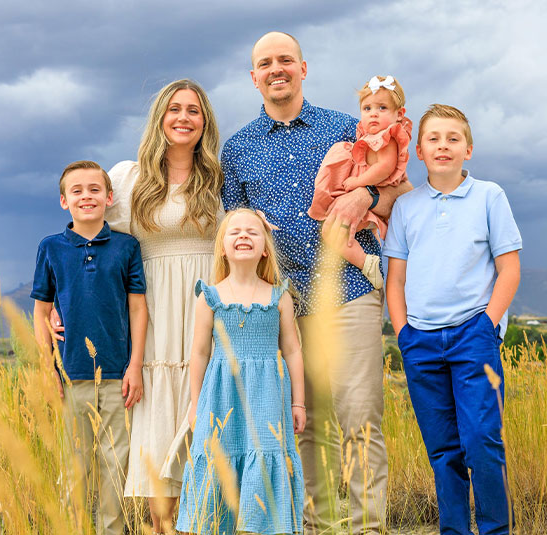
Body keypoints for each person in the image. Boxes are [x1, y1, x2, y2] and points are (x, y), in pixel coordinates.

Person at [221, 31, 410, 535]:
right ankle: (322, 528)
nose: (276, 69)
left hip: (348, 293)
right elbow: (230, 227)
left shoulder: (348, 128)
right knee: (307, 428)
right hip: (283, 306)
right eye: (265, 63)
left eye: (286, 60)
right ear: (254, 76)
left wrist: (366, 195)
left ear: (304, 69)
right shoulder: (238, 150)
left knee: (360, 423)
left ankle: (368, 530)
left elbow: (401, 191)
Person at [384, 104, 522, 535]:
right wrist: (403, 333)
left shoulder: (489, 196)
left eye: (453, 138)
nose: (443, 145)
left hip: (472, 336)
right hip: (420, 341)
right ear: (419, 151)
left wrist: (487, 324)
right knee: (443, 450)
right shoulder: (407, 207)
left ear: (469, 148)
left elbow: (510, 268)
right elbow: (396, 280)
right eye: (433, 139)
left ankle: (496, 529)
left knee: (482, 442)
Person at [104, 79, 225, 532]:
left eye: (194, 111)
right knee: (158, 415)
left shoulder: (219, 178)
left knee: (205, 406)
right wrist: (58, 301)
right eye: (175, 109)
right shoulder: (129, 177)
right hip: (152, 307)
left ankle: (211, 518)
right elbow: (88, 238)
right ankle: (163, 527)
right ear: (160, 118)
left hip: (208, 303)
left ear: (204, 123)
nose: (184, 118)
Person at [32, 160, 147, 535]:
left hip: (118, 375)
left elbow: (137, 307)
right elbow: (41, 312)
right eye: (77, 191)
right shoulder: (50, 248)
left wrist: (135, 366)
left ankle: (111, 530)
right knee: (75, 465)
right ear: (64, 201)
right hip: (71, 376)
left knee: (116, 466)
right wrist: (47, 368)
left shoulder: (127, 247)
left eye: (95, 189)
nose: (87, 196)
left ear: (109, 197)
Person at [175, 208, 305, 535]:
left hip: (267, 396)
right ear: (222, 247)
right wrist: (195, 403)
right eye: (234, 232)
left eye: (252, 231)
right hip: (221, 394)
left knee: (263, 456)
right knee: (220, 458)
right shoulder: (210, 296)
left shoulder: (279, 295)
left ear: (265, 248)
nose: (243, 235)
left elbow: (291, 350)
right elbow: (200, 352)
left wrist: (298, 403)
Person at [308, 75, 413, 290]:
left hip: (371, 196)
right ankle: (366, 262)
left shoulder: (388, 137)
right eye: (367, 109)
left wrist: (358, 182)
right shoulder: (367, 136)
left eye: (382, 108)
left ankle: (366, 263)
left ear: (399, 115)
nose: (373, 113)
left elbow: (384, 167)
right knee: (331, 231)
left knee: (332, 231)